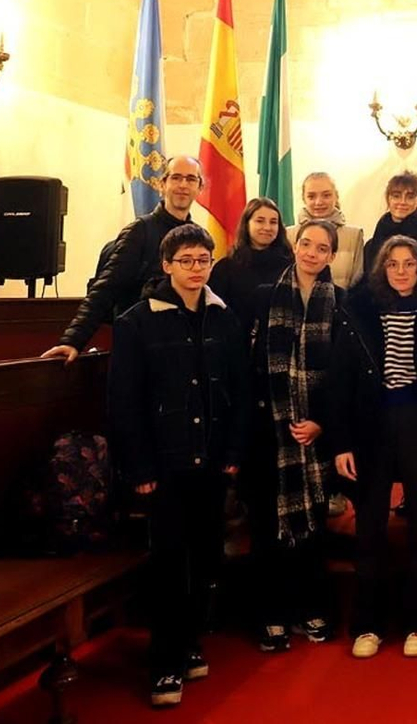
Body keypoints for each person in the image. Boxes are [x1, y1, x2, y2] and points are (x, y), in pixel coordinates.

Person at [107, 223, 249, 707]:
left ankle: (189, 642)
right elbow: (124, 403)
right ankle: (164, 662)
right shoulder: (136, 322)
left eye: (202, 260)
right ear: (167, 265)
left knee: (205, 557)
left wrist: (231, 454)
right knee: (168, 564)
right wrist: (139, 468)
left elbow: (239, 395)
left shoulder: (224, 318)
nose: (194, 269)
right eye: (185, 260)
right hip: (163, 466)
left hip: (209, 461)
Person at [337, 236, 417, 659]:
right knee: (370, 525)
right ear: (382, 270)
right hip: (371, 423)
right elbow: (342, 381)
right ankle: (368, 624)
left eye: (410, 263)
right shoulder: (359, 311)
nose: (402, 271)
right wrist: (342, 442)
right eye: (393, 264)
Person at [244, 219, 363, 652]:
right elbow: (248, 367)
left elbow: (345, 375)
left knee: (312, 530)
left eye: (322, 248)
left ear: (332, 255)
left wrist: (322, 424)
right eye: (306, 244)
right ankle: (271, 615)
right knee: (268, 531)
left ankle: (312, 610)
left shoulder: (342, 302)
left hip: (316, 436)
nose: (312, 253)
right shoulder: (262, 297)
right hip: (269, 432)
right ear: (295, 246)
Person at [44, 155, 203, 362]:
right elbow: (106, 288)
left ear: (200, 188)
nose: (183, 185)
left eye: (191, 179)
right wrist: (73, 340)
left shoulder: (198, 237)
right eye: (176, 177)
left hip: (182, 348)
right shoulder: (140, 231)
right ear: (162, 184)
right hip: (140, 346)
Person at [209, 197, 293, 323]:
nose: (267, 227)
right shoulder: (225, 267)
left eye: (273, 222)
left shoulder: (291, 265)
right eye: (260, 221)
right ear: (246, 224)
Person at [363, 171, 417, 274]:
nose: (402, 202)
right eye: (396, 196)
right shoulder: (376, 238)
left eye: (410, 197)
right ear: (388, 199)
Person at [293, 172, 366, 289]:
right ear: (304, 198)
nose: (319, 202)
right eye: (311, 197)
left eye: (326, 195)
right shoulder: (289, 234)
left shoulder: (354, 235)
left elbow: (357, 279)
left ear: (336, 196)